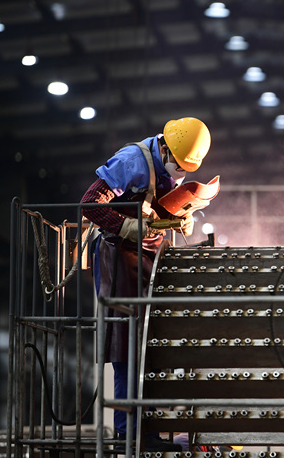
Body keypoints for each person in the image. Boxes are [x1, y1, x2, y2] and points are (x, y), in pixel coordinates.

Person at [81, 117, 211, 452]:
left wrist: (181, 215)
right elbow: (90, 204)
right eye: (177, 165)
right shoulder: (132, 161)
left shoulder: (165, 167)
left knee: (149, 344)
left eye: (184, 169)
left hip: (147, 252)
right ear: (165, 147)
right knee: (126, 344)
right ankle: (130, 433)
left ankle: (149, 427)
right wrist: (127, 228)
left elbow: (160, 201)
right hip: (117, 252)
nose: (178, 173)